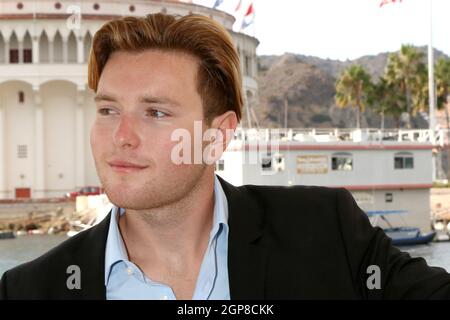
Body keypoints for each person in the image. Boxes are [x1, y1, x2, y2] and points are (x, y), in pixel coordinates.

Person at [1, 13, 450, 300]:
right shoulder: (28, 290)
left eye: (155, 112)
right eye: (107, 109)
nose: (121, 136)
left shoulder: (327, 233)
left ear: (217, 137)